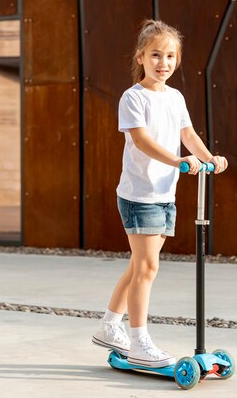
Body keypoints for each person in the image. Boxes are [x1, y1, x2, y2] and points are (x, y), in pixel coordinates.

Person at [92, 19, 228, 368]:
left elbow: (189, 135)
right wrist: (177, 160)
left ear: (177, 60)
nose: (162, 63)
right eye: (155, 55)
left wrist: (209, 158)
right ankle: (139, 342)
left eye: (169, 56)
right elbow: (142, 140)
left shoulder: (176, 97)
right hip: (140, 194)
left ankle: (110, 325)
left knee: (139, 265)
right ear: (140, 57)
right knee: (148, 268)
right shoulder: (133, 97)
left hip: (165, 193)